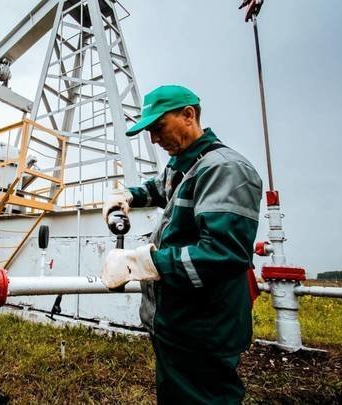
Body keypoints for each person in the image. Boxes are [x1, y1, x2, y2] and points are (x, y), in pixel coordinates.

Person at [102, 85, 262, 404]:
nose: (154, 139)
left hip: (203, 330)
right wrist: (129, 195)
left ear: (188, 115)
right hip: (178, 325)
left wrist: (141, 263)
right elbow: (159, 188)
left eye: (158, 127)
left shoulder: (224, 169)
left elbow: (223, 254)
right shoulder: (185, 164)